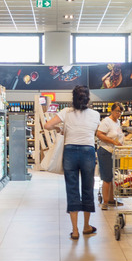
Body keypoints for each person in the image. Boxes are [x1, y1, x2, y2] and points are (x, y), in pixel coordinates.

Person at [44, 85, 101, 240]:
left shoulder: (66, 113)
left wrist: (59, 129)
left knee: (72, 189)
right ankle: (86, 227)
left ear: (73, 98)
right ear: (88, 98)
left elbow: (47, 125)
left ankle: (75, 230)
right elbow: (91, 131)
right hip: (88, 152)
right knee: (88, 188)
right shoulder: (96, 114)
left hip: (70, 152)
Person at [95, 102, 125, 210]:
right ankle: (105, 202)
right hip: (105, 151)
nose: (119, 113)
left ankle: (111, 199)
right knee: (107, 177)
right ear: (111, 111)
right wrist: (113, 142)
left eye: (120, 112)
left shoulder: (117, 122)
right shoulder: (106, 121)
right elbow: (99, 134)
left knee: (113, 176)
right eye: (117, 111)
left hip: (114, 152)